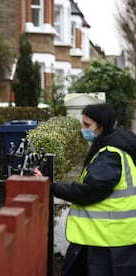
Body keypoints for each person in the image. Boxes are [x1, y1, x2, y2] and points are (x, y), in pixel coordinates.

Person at [51, 103, 136, 275]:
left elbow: (90, 191)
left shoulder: (110, 154)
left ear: (101, 126)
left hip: (105, 240)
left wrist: (51, 187)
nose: (83, 129)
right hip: (113, 238)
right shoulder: (118, 145)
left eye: (87, 125)